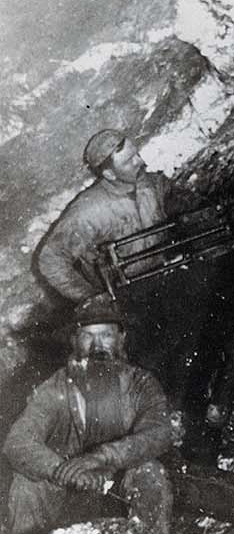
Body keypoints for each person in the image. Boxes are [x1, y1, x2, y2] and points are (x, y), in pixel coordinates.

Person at [34, 129, 202, 399]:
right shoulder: (89, 211)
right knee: (148, 365)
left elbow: (175, 198)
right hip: (126, 299)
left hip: (163, 277)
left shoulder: (149, 183)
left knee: (189, 341)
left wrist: (188, 208)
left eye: (136, 154)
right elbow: (50, 259)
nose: (140, 161)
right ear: (109, 174)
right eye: (129, 160)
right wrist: (92, 298)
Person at [3, 296, 178, 534]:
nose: (97, 346)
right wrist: (62, 471)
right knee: (26, 485)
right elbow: (18, 441)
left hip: (116, 487)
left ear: (121, 339)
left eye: (106, 335)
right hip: (68, 490)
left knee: (148, 472)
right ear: (74, 341)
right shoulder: (56, 387)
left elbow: (159, 432)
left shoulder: (140, 384)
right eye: (87, 336)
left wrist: (102, 457)